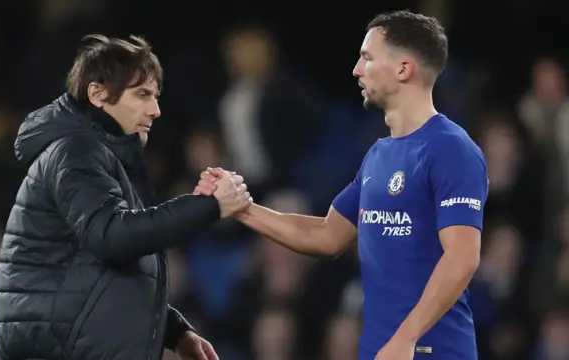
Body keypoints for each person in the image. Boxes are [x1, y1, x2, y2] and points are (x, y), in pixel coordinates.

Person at [196, 10, 488, 360]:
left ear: (403, 69)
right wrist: (242, 208)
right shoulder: (379, 155)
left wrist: (406, 338)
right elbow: (326, 235)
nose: (356, 70)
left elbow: (462, 257)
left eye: (367, 58)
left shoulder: (451, 148)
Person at [0, 34, 251, 360]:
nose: (156, 109)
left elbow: (102, 271)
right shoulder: (75, 151)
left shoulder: (99, 154)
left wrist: (172, 330)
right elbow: (113, 237)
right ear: (98, 94)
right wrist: (209, 206)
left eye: (156, 96)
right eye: (142, 94)